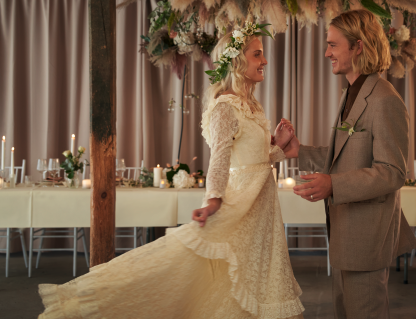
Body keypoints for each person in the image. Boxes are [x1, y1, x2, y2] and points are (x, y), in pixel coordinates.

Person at [38, 22, 304, 319]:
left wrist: (279, 148)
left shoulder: (253, 106)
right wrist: (213, 199)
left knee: (253, 280)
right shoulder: (225, 107)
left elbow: (255, 159)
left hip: (261, 207)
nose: (265, 60)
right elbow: (220, 159)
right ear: (237, 61)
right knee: (223, 278)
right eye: (257, 54)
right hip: (240, 204)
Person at [281, 9, 416, 319]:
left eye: (333, 44)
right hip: (346, 233)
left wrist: (333, 185)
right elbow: (344, 154)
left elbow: (393, 172)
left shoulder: (384, 99)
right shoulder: (351, 94)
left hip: (367, 238)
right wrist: (298, 151)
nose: (326, 52)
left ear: (358, 46)